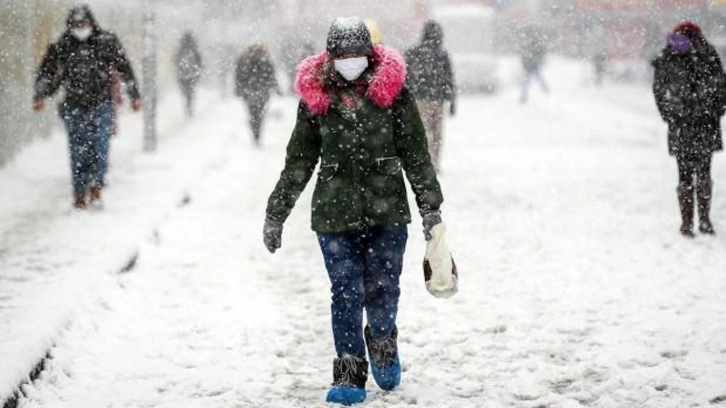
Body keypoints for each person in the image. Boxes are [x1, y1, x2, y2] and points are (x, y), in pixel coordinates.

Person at [263, 17, 445, 406]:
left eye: (356, 54)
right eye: (342, 55)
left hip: (388, 213)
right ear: (331, 57)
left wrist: (431, 209)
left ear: (370, 54)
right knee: (345, 291)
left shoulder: (394, 95)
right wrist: (276, 212)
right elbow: (299, 160)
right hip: (334, 214)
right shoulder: (317, 99)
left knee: (383, 288)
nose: (349, 61)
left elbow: (417, 155)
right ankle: (348, 373)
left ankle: (382, 342)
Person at [32, 5, 141, 209]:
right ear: (70, 26)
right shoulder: (62, 45)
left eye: (83, 24)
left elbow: (125, 68)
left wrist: (134, 95)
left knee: (100, 147)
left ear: (91, 23)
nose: (80, 28)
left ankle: (96, 186)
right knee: (78, 150)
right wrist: (40, 95)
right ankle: (80, 192)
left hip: (102, 104)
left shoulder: (106, 42)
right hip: (74, 106)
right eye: (76, 24)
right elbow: (47, 72)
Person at [652, 21, 725, 237]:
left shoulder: (669, 55)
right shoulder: (709, 54)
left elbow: (659, 89)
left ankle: (686, 223)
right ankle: (704, 219)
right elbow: (721, 87)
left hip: (681, 124)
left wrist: (670, 115)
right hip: (706, 123)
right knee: (704, 171)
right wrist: (715, 111)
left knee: (684, 174)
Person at [404, 20, 456, 172]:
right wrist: (452, 101)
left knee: (422, 132)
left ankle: (424, 162)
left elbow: (406, 77)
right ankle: (435, 163)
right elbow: (449, 78)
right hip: (438, 100)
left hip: (419, 99)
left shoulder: (413, 52)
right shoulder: (442, 54)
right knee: (437, 133)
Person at [235, 44, 279, 145]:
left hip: (249, 91)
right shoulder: (265, 59)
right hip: (262, 91)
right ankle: (257, 131)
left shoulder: (244, 60)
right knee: (260, 113)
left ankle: (255, 130)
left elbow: (239, 76)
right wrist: (276, 88)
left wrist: (239, 89)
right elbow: (271, 76)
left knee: (252, 112)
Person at [175, 31, 203, 117]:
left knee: (186, 91)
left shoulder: (181, 49)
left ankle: (188, 105)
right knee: (190, 91)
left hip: (182, 75)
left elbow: (176, 60)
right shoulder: (193, 49)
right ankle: (189, 105)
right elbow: (199, 61)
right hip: (192, 74)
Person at [519, 26, 549, 104]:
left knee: (527, 81)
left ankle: (524, 96)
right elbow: (524, 56)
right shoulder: (532, 45)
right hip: (531, 65)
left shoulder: (530, 45)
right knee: (534, 79)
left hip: (531, 65)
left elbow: (524, 55)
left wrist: (526, 62)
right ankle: (544, 90)